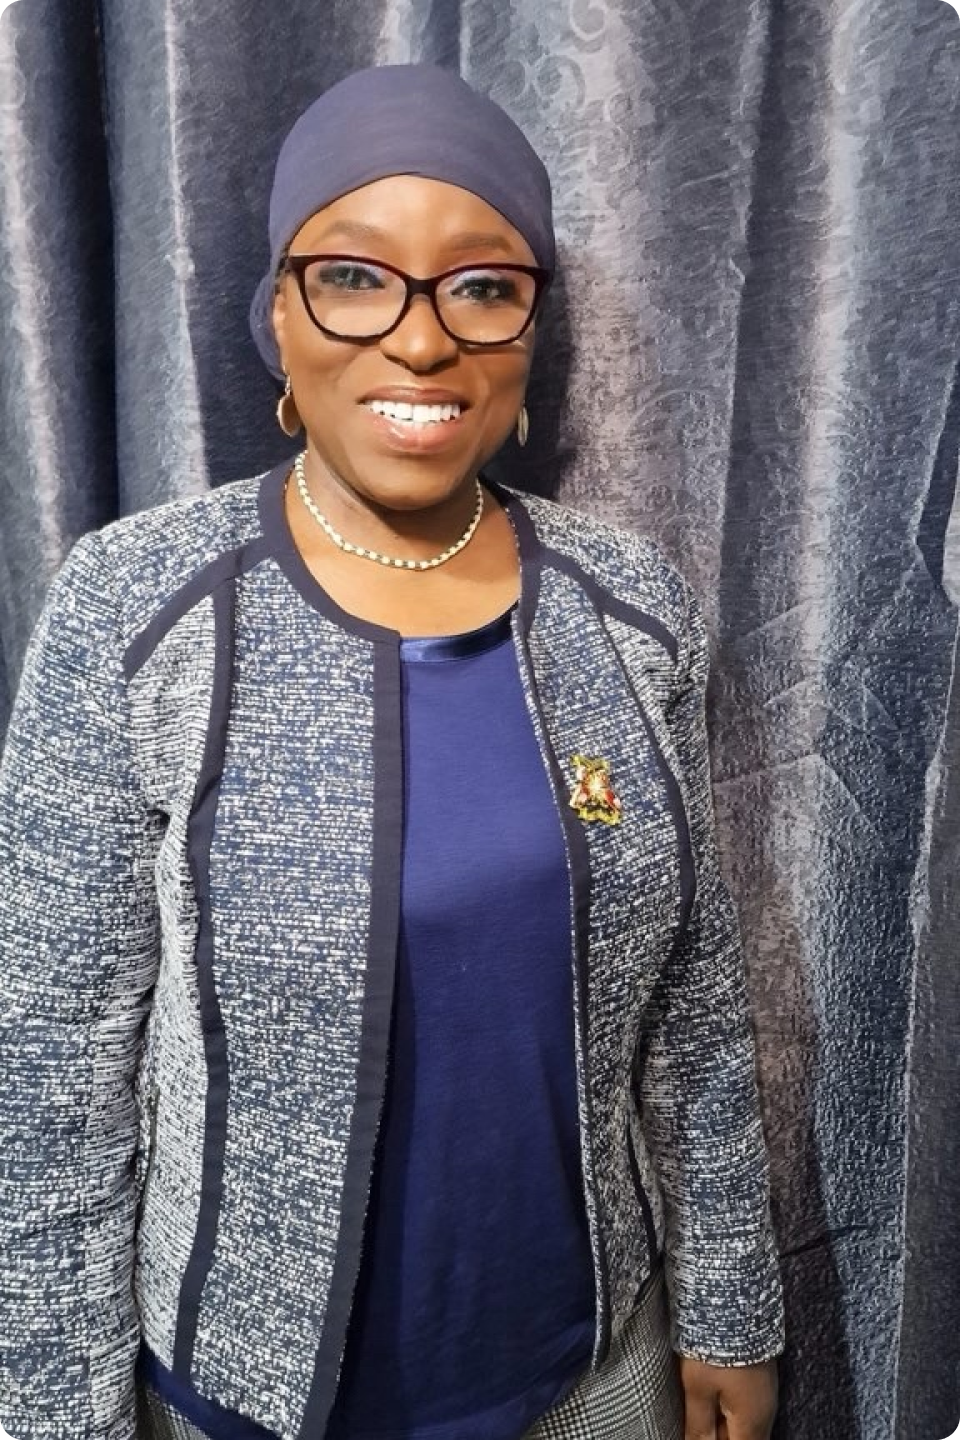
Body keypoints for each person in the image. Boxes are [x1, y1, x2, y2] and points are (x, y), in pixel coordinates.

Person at [0, 64, 784, 1440]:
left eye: (482, 285)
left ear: (529, 332)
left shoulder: (633, 606)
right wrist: (60, 1413)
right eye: (357, 277)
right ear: (281, 318)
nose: (423, 342)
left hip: (591, 1378)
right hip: (245, 1404)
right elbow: (52, 1062)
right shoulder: (139, 606)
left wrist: (727, 1308)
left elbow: (698, 1014)